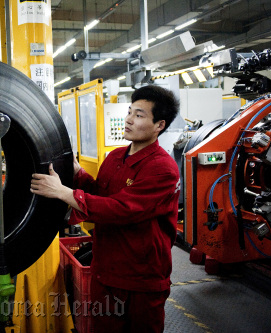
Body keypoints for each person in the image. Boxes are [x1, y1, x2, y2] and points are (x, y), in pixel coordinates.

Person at [31, 85, 180, 332]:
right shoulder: (114, 158)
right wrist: (77, 173)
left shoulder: (162, 169)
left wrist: (64, 193)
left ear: (159, 126)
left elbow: (122, 208)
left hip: (141, 278)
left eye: (140, 115)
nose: (129, 119)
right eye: (130, 111)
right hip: (106, 272)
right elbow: (101, 195)